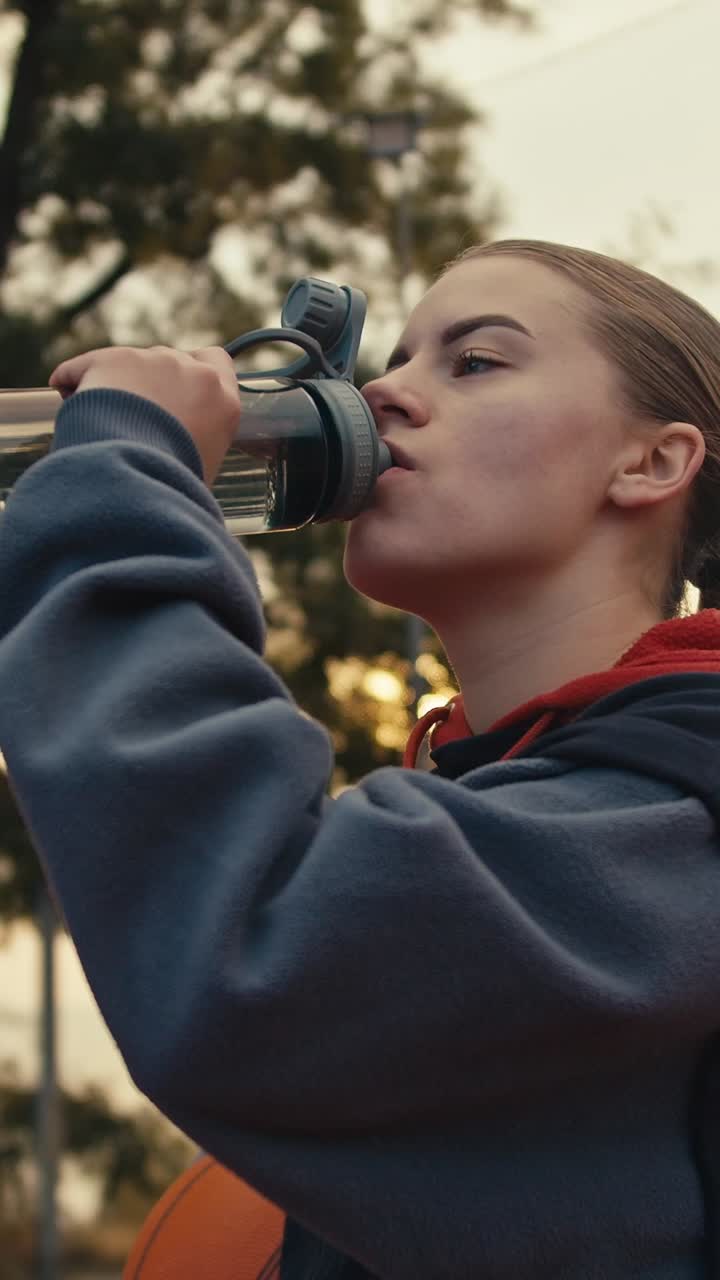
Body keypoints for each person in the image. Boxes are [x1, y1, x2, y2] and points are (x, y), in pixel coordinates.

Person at [1, 238, 720, 1279]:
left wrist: (122, 479)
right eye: (397, 359)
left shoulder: (677, 826)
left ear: (652, 462)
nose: (385, 391)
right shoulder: (554, 808)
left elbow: (254, 945)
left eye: (474, 362)